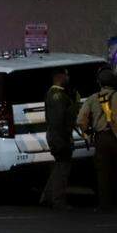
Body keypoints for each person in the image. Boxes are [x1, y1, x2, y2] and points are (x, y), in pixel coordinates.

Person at [78, 67, 117, 212]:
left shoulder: (93, 98)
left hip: (101, 138)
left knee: (103, 173)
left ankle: (104, 205)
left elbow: (81, 120)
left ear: (99, 83)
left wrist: (87, 134)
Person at [41, 67, 79, 209]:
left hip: (56, 135)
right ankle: (58, 200)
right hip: (59, 137)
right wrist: (65, 137)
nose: (68, 78)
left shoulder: (55, 94)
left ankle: (47, 197)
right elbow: (59, 120)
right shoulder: (57, 96)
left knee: (58, 167)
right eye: (66, 75)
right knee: (63, 169)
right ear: (60, 76)